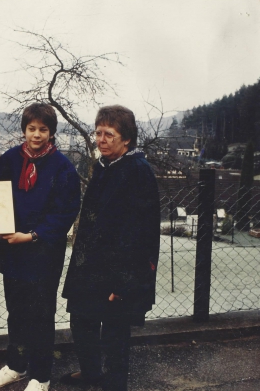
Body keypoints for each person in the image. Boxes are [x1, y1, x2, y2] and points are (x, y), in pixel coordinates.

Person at [60, 105, 160, 391]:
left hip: (118, 271)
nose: (101, 140)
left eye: (109, 134)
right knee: (81, 318)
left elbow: (142, 235)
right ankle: (91, 372)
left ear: (126, 139)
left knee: (115, 331)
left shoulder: (138, 172)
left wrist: (124, 283)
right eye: (98, 132)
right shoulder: (105, 165)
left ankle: (115, 384)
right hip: (91, 267)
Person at [0, 103, 81, 391]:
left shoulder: (62, 166)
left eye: (43, 129)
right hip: (12, 251)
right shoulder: (10, 159)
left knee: (41, 315)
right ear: (24, 129)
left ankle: (41, 375)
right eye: (31, 129)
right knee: (16, 311)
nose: (36, 134)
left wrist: (33, 235)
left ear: (51, 132)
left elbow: (65, 212)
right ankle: (16, 365)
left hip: (43, 253)